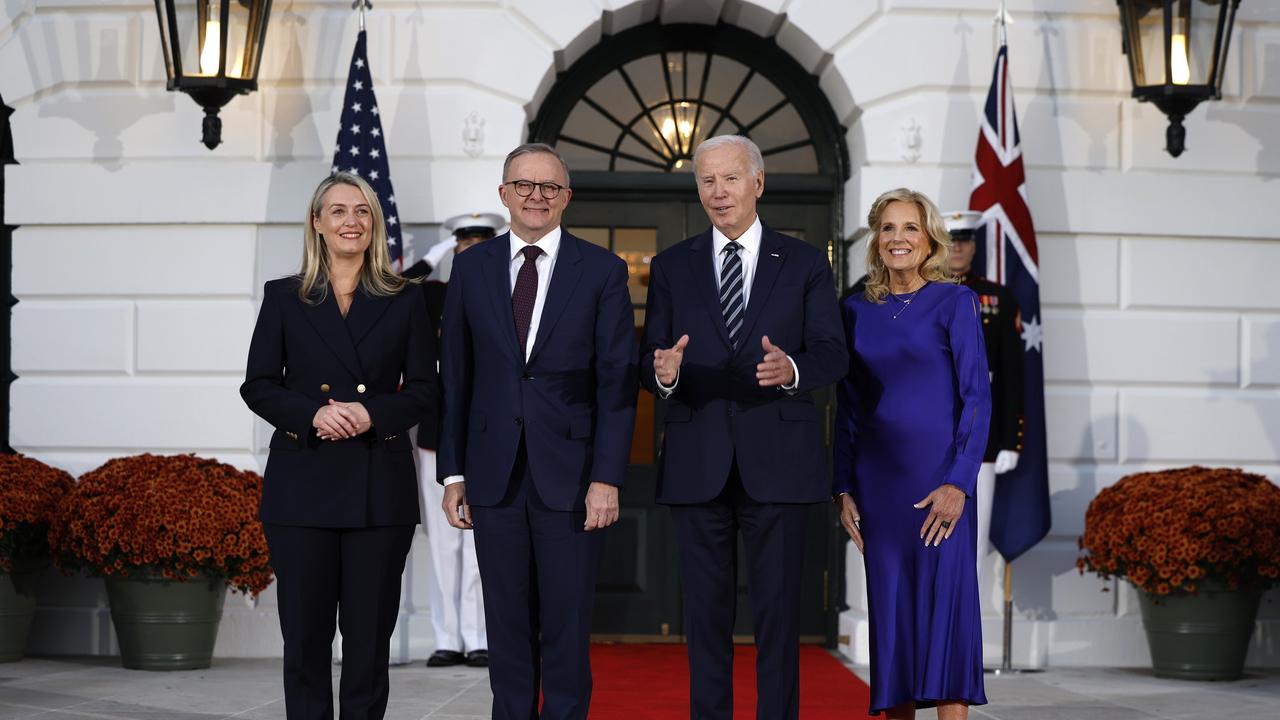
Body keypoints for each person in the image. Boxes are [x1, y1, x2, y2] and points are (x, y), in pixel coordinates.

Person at [640, 135, 848, 720]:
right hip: (697, 461)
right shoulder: (671, 266)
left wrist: (793, 370)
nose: (717, 191)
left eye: (729, 178)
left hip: (780, 463)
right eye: (706, 181)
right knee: (703, 618)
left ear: (758, 183)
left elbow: (834, 355)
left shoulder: (805, 262)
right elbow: (650, 360)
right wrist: (665, 374)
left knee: (779, 617)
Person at [436, 143, 638, 720]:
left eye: (549, 187)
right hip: (492, 476)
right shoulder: (471, 269)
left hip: (572, 481)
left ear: (566, 198)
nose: (536, 196)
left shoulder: (601, 270)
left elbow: (616, 385)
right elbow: (456, 377)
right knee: (506, 627)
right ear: (503, 195)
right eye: (524, 185)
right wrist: (453, 473)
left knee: (567, 628)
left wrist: (607, 478)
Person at [241, 172, 437, 719]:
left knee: (368, 645)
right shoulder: (284, 297)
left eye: (362, 212)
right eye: (338, 211)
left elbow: (426, 390)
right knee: (304, 641)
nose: (351, 221)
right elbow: (257, 385)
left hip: (379, 489)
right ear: (317, 223)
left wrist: (370, 412)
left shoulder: (404, 299)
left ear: (374, 225)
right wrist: (314, 415)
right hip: (303, 486)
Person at [834, 188, 991, 719]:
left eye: (910, 228)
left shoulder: (956, 302)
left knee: (947, 617)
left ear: (929, 241)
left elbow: (977, 399)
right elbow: (847, 407)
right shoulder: (855, 309)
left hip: (939, 482)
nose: (898, 239)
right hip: (878, 490)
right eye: (888, 229)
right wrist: (842, 487)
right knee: (894, 622)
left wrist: (959, 483)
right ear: (876, 241)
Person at [401, 212, 504, 669]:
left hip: (488, 431)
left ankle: (478, 635)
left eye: (481, 246)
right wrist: (432, 259)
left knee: (482, 543)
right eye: (464, 247)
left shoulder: (504, 291)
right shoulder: (432, 295)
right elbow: (392, 289)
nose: (471, 254)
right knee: (444, 542)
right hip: (435, 431)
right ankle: (447, 638)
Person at [944, 210, 1025, 583]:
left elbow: (1011, 374)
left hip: (982, 432)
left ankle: (964, 629)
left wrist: (1011, 439)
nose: (958, 248)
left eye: (964, 241)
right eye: (952, 241)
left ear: (974, 246)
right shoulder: (922, 291)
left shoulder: (996, 297)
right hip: (932, 427)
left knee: (972, 540)